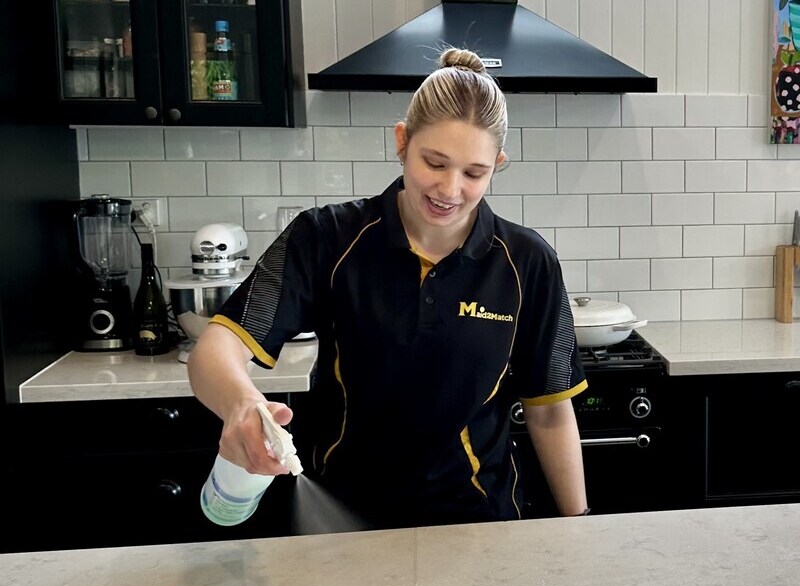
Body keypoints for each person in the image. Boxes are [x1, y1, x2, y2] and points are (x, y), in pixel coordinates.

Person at [188, 47, 589, 530]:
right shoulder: (324, 237)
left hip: (479, 526)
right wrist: (241, 405)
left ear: (497, 164)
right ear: (402, 142)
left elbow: (549, 414)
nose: (449, 188)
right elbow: (215, 349)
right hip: (342, 524)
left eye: (474, 172)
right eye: (434, 163)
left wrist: (578, 526)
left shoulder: (528, 262)